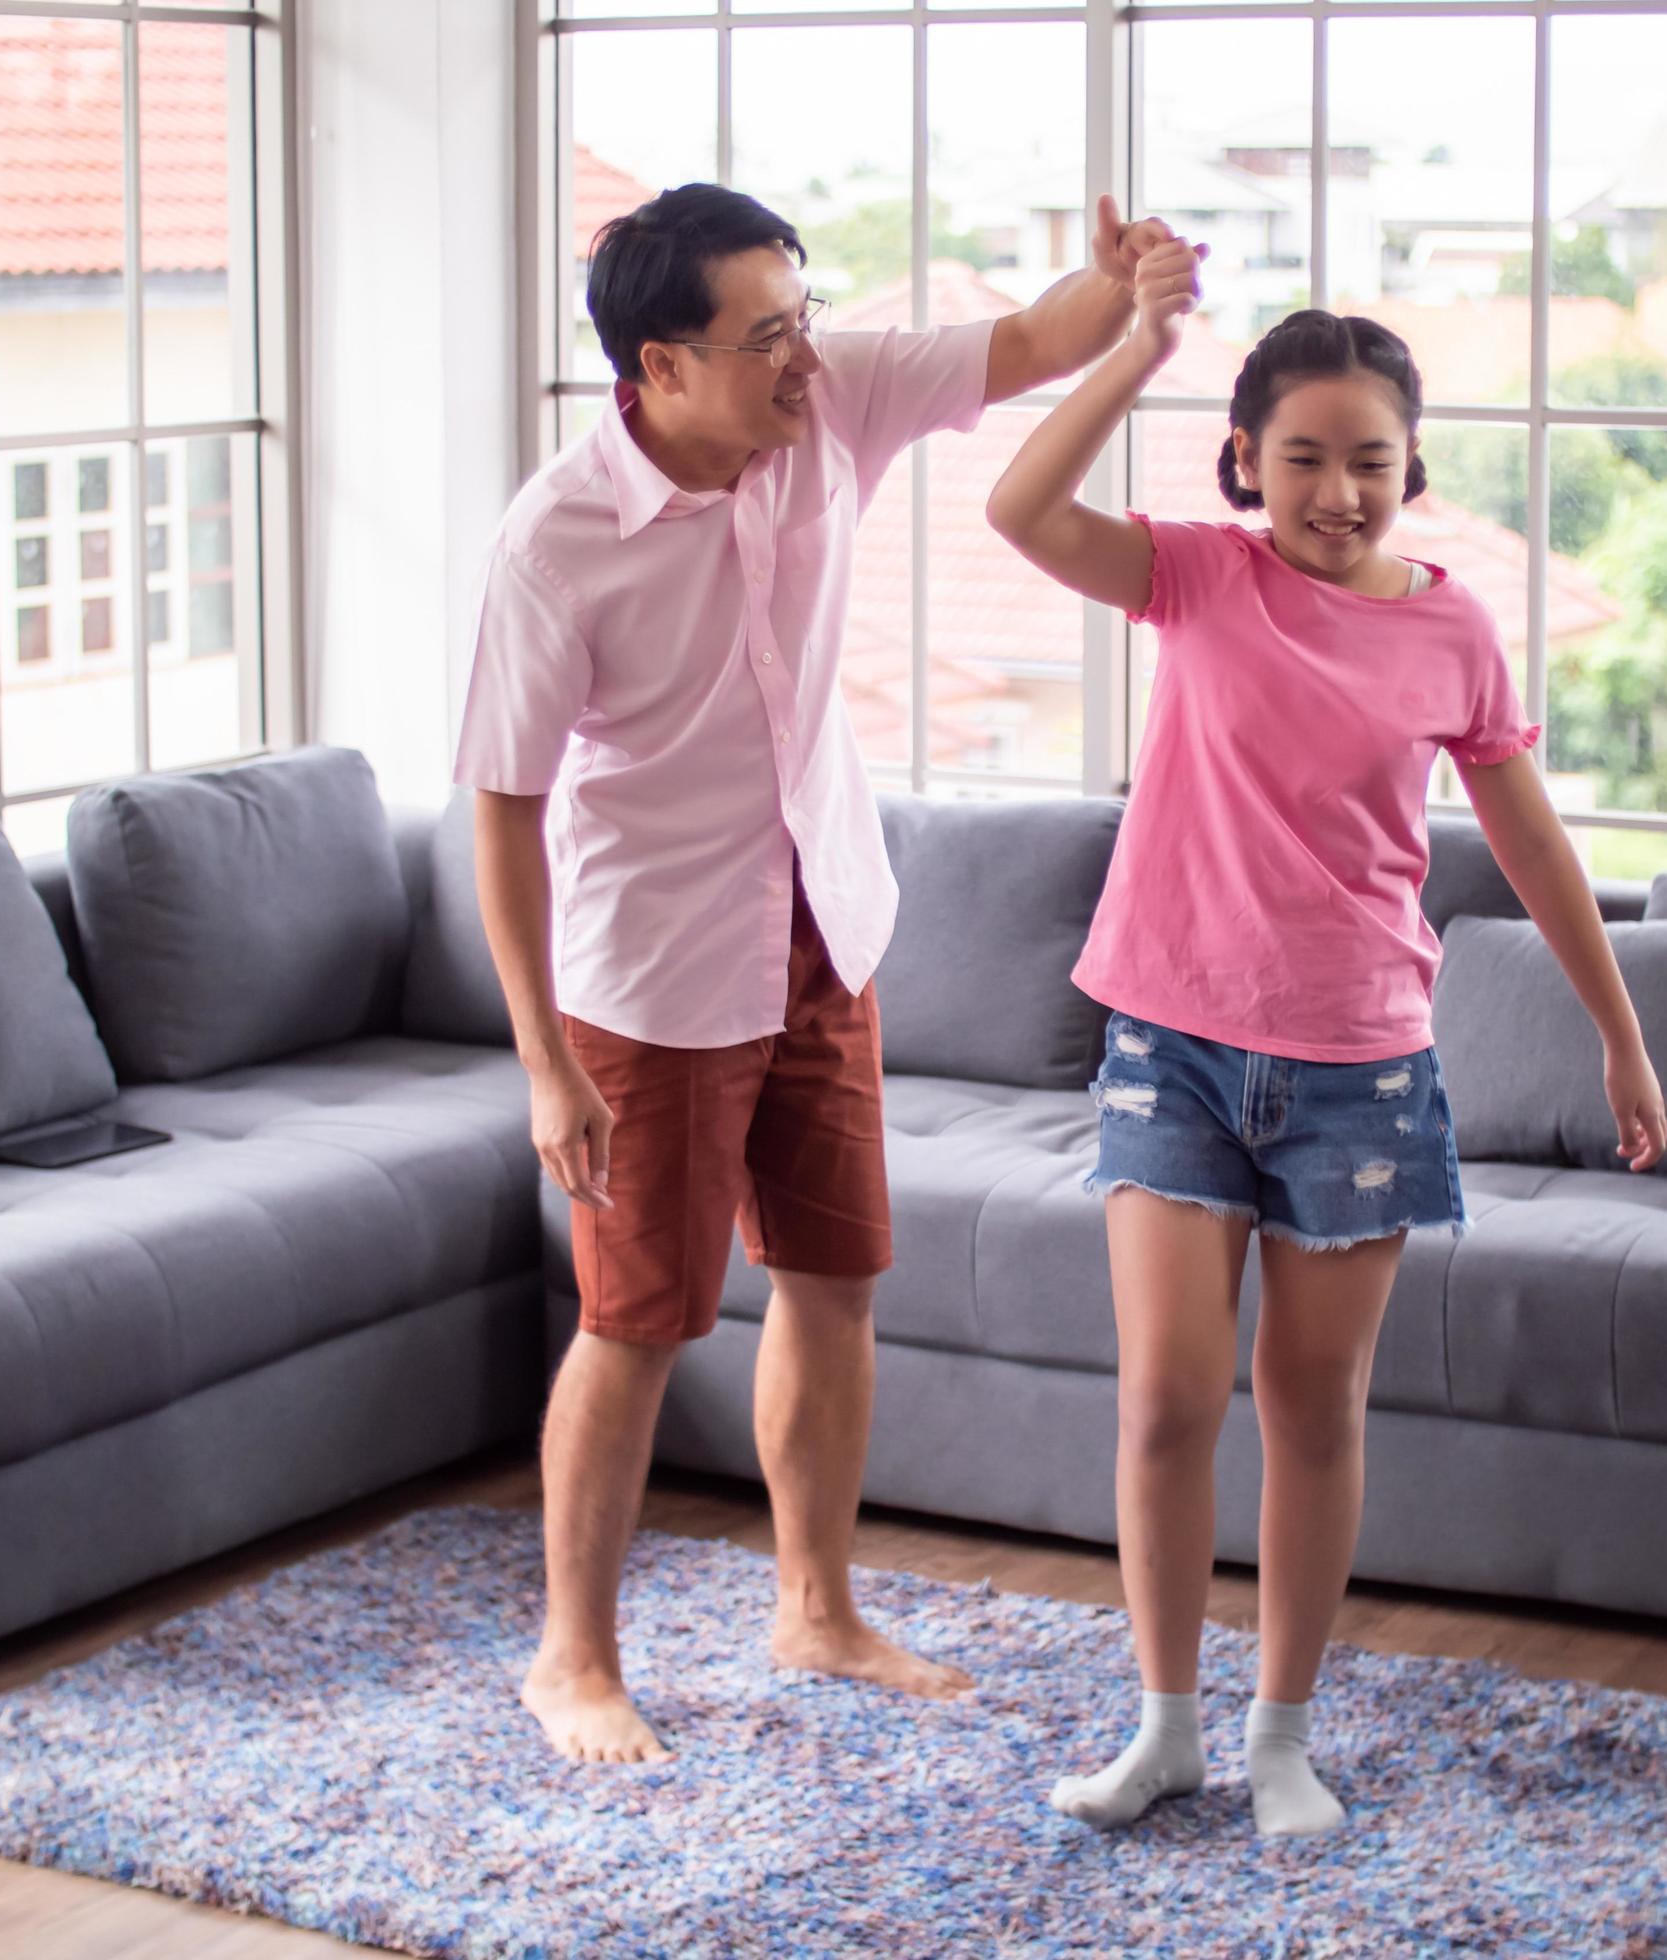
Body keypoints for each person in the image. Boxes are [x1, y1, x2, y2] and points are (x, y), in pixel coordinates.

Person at [456, 182, 1182, 1767]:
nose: (807, 355)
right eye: (768, 333)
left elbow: (1019, 345)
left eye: (806, 314)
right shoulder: (555, 545)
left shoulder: (828, 403)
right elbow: (501, 812)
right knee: (641, 1319)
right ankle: (572, 1658)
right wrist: (540, 1058)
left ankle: (817, 1606)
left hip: (820, 926)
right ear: (659, 367)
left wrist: (1115, 284)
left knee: (835, 1281)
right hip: (646, 975)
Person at [985, 244, 1667, 1837]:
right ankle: (1165, 1729)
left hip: (1359, 1058)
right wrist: (1134, 352)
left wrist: (1620, 1037)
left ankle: (1282, 1736)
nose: (1339, 490)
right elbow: (1022, 510)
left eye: (1371, 459)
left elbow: (1536, 842)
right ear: (1246, 462)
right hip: (1172, 1039)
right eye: (1303, 456)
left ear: (1410, 468)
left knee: (1313, 1409)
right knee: (1163, 1397)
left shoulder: (1453, 635)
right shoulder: (1199, 574)